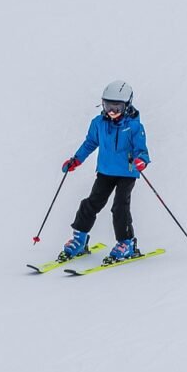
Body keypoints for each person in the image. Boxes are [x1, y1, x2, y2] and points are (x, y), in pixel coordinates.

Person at [60, 80, 151, 263]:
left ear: (127, 105)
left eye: (117, 107)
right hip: (105, 171)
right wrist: (76, 159)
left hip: (127, 171)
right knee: (92, 203)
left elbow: (142, 150)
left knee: (120, 206)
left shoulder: (134, 126)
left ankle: (126, 243)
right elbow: (90, 143)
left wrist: (142, 161)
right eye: (108, 105)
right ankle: (80, 239)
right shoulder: (98, 123)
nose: (112, 111)